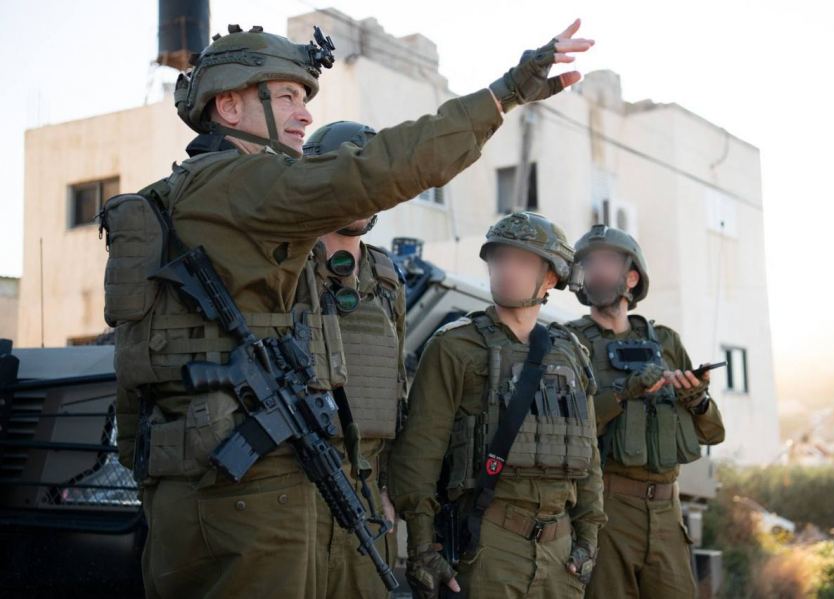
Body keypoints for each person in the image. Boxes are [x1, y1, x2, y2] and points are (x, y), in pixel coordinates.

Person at [104, 19, 595, 599]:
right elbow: (375, 170)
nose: (304, 114)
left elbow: (138, 366)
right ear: (229, 106)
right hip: (249, 494)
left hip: (186, 485)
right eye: (287, 96)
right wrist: (503, 94)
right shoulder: (245, 184)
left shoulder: (172, 196)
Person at [390, 212, 606, 599]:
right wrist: (422, 547)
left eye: (521, 262)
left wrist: (588, 541)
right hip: (488, 545)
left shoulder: (571, 353)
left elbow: (588, 458)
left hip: (561, 554)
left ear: (551, 277)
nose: (506, 271)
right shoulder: (454, 346)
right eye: (499, 259)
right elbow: (419, 454)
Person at [565, 224, 726, 599]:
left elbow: (714, 432)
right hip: (606, 509)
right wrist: (624, 393)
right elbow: (568, 426)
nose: (596, 270)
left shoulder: (665, 341)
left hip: (668, 509)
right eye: (588, 264)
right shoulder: (568, 342)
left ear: (632, 277)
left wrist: (696, 398)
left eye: (607, 262)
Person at [299, 121, 407, 599]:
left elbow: (396, 386)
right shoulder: (285, 267)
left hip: (365, 492)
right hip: (295, 485)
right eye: (351, 178)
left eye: (373, 181)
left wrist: (386, 490)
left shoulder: (386, 277)